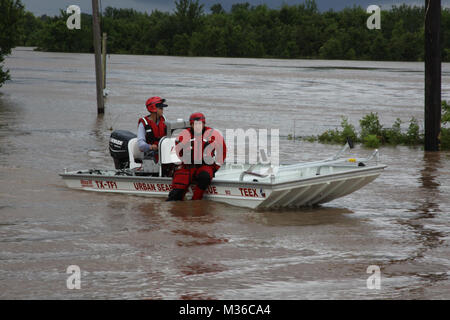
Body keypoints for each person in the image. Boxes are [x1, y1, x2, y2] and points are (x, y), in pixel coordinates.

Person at [167, 112, 226, 201]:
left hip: (205, 165)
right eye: (195, 124)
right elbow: (178, 152)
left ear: (204, 123)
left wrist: (216, 167)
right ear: (191, 125)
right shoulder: (183, 135)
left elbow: (222, 151)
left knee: (205, 177)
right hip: (187, 166)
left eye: (200, 124)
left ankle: (196, 200)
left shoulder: (213, 134)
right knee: (175, 194)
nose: (198, 126)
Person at [137, 96, 168, 161]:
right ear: (153, 109)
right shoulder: (143, 124)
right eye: (161, 108)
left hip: (163, 153)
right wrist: (150, 147)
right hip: (149, 154)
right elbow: (140, 144)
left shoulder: (164, 120)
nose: (163, 110)